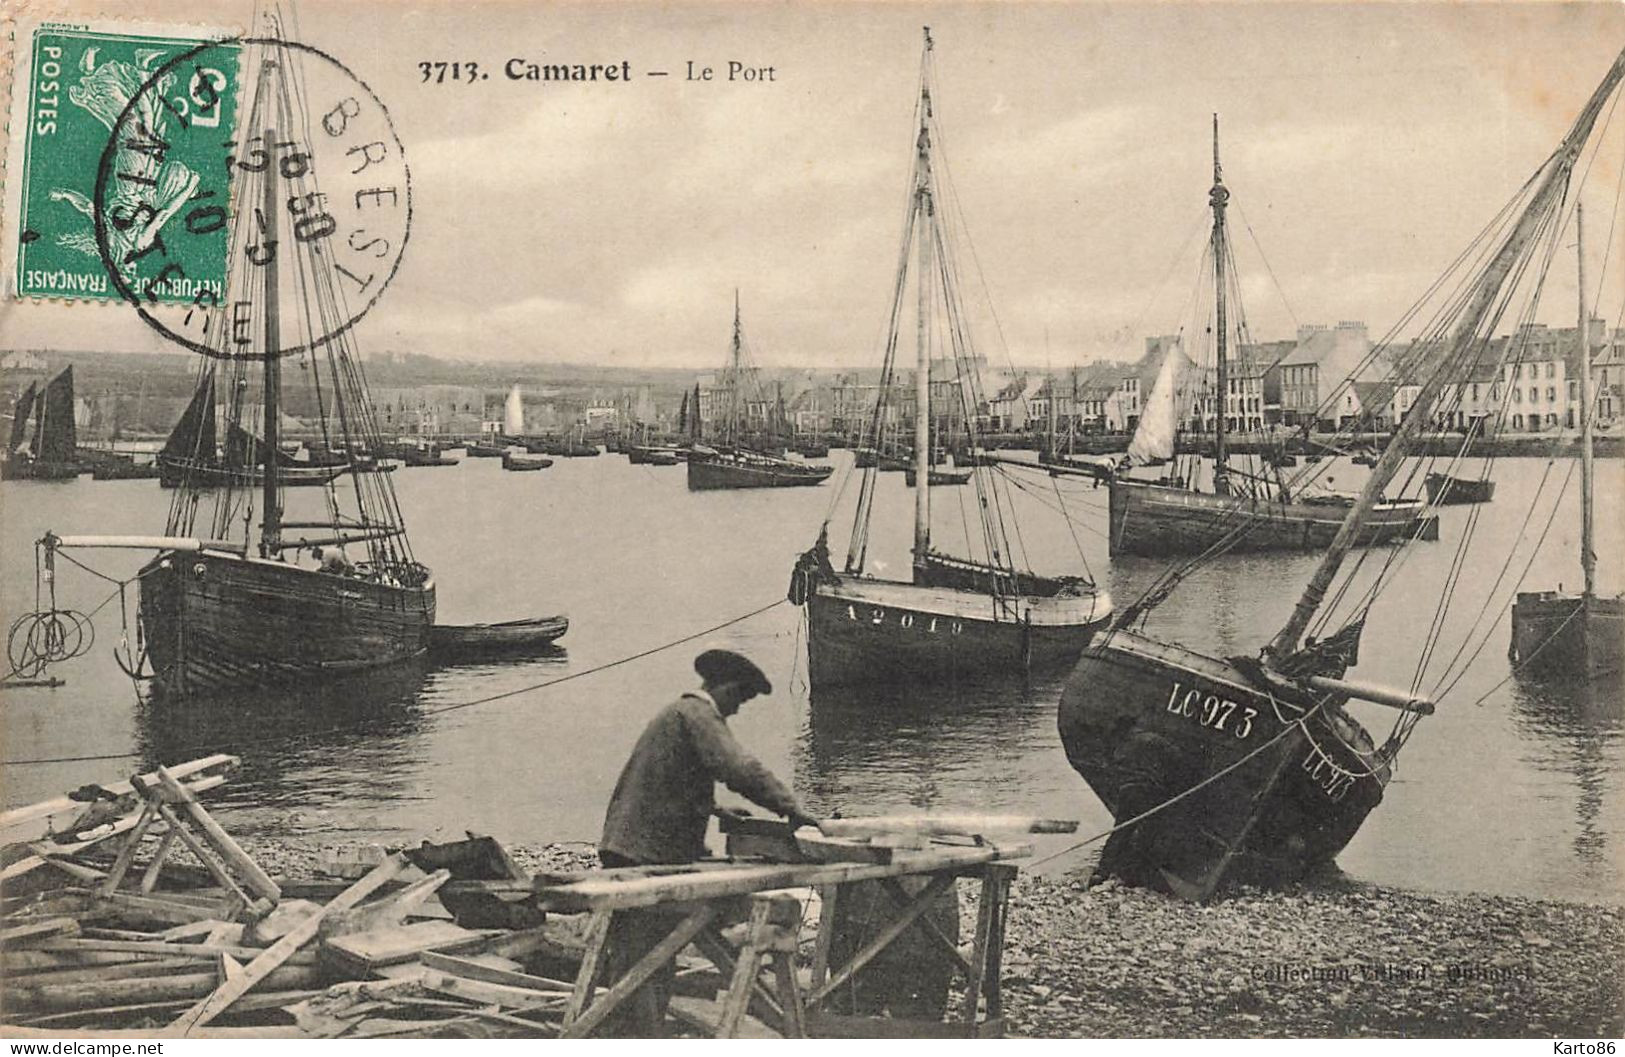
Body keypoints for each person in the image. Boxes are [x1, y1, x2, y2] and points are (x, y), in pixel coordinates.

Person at [596, 648, 815, 1035]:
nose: (736, 711)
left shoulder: (677, 716)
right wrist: (790, 808)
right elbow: (738, 767)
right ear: (725, 688)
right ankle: (632, 1034)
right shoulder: (699, 714)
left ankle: (633, 1032)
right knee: (647, 956)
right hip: (644, 853)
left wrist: (718, 812)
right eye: (740, 699)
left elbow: (671, 780)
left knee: (643, 956)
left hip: (632, 846)